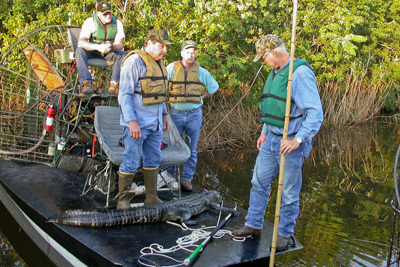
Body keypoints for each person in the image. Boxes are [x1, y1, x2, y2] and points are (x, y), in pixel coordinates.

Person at [233, 34, 323, 250]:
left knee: (289, 192)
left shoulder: (299, 74)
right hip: (271, 139)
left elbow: (315, 113)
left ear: (274, 53)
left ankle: (284, 233)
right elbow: (275, 107)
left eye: (263, 57)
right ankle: (253, 224)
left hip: (290, 143)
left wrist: (297, 140)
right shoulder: (275, 72)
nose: (263, 62)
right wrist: (264, 131)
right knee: (258, 182)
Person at [116, 29, 172, 209]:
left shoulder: (160, 63)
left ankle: (151, 198)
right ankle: (123, 200)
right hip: (137, 123)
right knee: (131, 160)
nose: (164, 51)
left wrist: (164, 114)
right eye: (161, 46)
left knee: (154, 159)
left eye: (166, 47)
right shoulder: (134, 61)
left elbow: (159, 93)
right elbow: (124, 95)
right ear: (148, 43)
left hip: (154, 123)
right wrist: (132, 122)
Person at [166, 40, 219, 191]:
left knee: (192, 148)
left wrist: (201, 96)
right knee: (173, 146)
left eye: (194, 52)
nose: (191, 55)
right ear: (182, 53)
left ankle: (186, 179)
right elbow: (162, 84)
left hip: (194, 114)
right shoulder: (171, 68)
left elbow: (214, 87)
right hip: (175, 113)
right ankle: (171, 178)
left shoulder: (201, 71)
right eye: (188, 52)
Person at [76, 1, 127, 98]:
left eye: (109, 13)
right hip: (91, 51)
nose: (108, 16)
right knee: (79, 51)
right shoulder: (90, 22)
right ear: (99, 14)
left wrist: (110, 46)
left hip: (108, 52)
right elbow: (81, 42)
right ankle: (86, 84)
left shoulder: (118, 24)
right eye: (105, 14)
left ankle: (114, 84)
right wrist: (98, 47)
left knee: (123, 54)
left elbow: (120, 44)